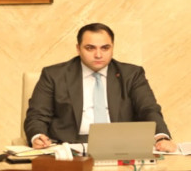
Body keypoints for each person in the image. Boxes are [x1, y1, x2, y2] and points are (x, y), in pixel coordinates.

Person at [24, 23, 176, 152]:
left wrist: (161, 136)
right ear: (78, 48)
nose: (98, 55)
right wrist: (37, 136)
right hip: (70, 147)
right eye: (90, 48)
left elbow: (148, 109)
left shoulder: (132, 74)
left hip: (121, 147)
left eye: (105, 48)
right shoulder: (54, 75)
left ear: (112, 48)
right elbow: (37, 115)